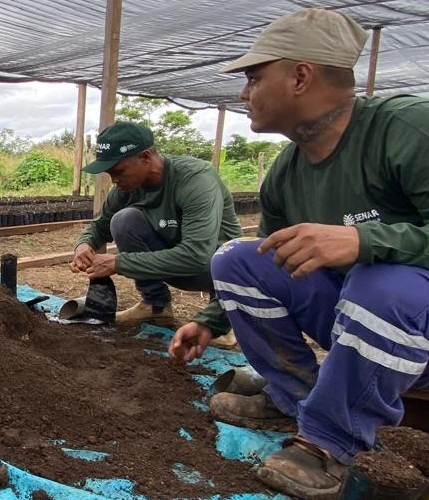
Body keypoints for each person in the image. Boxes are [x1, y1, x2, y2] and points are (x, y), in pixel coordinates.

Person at [168, 8, 429, 499]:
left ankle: (328, 442)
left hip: (414, 329)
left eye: (253, 78)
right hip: (363, 323)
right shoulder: (286, 172)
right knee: (238, 257)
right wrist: (208, 321)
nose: (244, 94)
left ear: (300, 76)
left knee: (382, 280)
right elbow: (270, 260)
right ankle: (297, 397)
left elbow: (375, 259)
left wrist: (364, 241)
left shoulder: (406, 129)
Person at [70, 121, 242, 330]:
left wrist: (119, 263)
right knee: (123, 220)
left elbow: (197, 255)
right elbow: (99, 227)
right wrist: (83, 245)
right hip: (173, 263)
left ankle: (228, 318)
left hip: (218, 270)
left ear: (145, 157)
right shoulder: (126, 189)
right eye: (109, 173)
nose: (114, 179)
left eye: (118, 170)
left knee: (229, 256)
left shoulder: (195, 180)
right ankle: (155, 305)